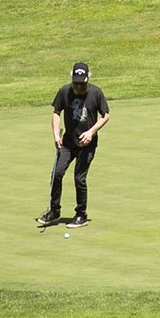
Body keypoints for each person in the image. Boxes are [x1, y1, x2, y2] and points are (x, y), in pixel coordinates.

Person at [39, 61, 109, 228]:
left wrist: (91, 132)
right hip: (68, 143)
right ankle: (54, 210)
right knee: (57, 173)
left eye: (82, 83)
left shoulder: (96, 93)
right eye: (76, 82)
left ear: (88, 80)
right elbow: (56, 112)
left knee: (79, 178)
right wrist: (56, 134)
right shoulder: (64, 92)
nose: (78, 86)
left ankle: (81, 214)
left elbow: (106, 115)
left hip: (87, 144)